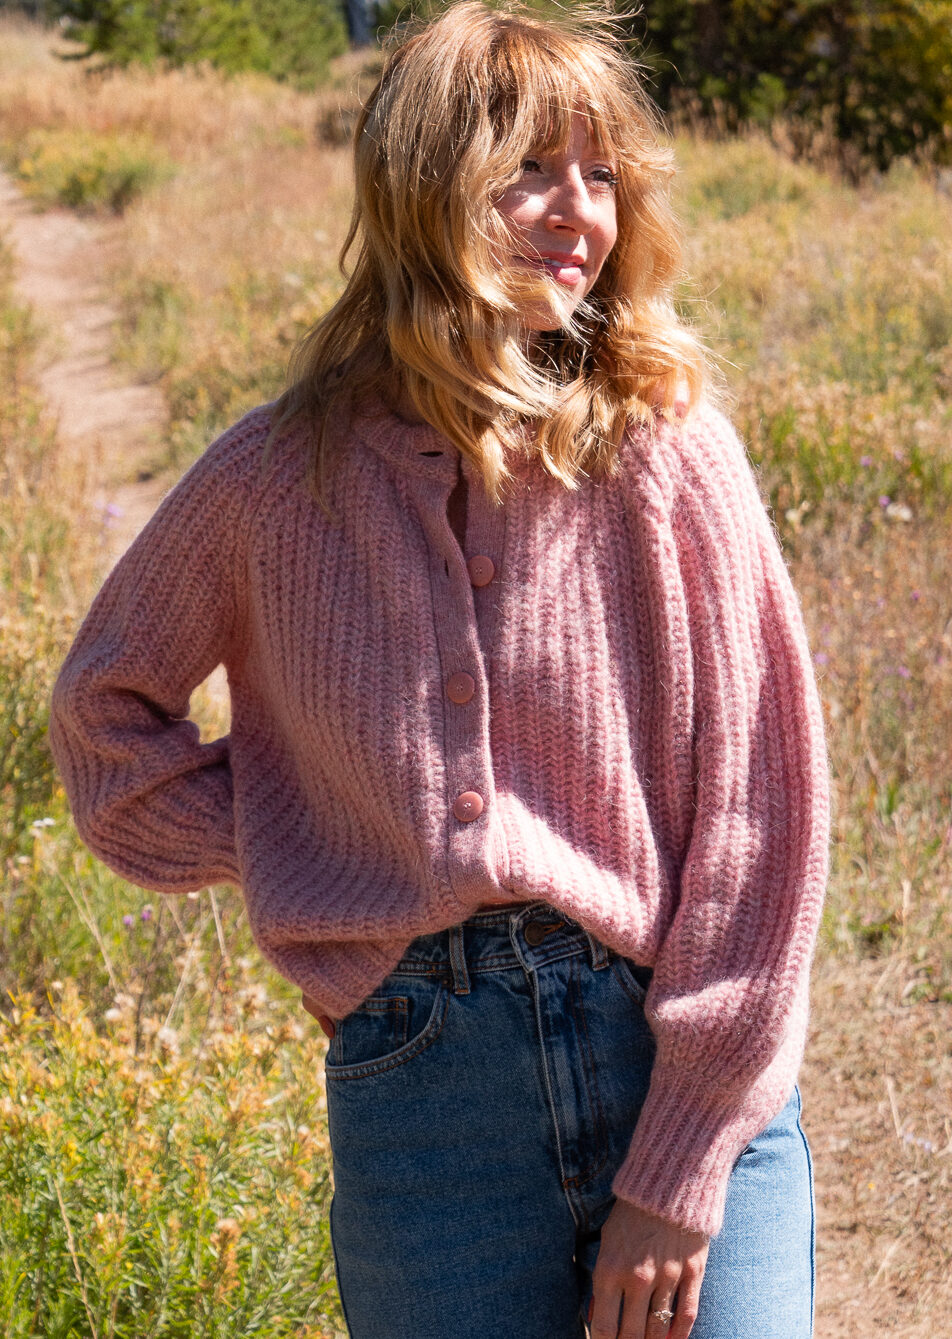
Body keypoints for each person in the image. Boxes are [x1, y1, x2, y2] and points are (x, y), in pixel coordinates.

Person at [47, 4, 831, 1338]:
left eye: (601, 174)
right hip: (421, 1096)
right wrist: (309, 842)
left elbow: (763, 817)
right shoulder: (272, 478)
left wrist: (684, 1160)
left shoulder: (664, 452)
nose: (578, 210)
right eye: (531, 169)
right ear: (426, 191)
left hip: (671, 1053)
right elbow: (104, 727)